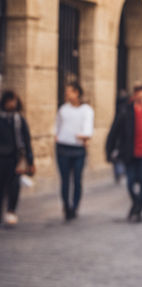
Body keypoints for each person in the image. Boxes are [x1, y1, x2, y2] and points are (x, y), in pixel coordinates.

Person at [106, 83, 142, 223]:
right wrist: (109, 149)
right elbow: (114, 131)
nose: (141, 96)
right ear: (134, 94)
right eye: (138, 93)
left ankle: (138, 211)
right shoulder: (125, 110)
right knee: (130, 182)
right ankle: (136, 204)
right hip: (129, 153)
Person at [55, 82, 94, 221]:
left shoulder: (86, 110)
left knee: (77, 179)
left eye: (69, 91)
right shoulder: (63, 109)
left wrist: (82, 136)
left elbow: (88, 131)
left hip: (78, 149)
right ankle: (66, 205)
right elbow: (57, 127)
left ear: (77, 92)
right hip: (63, 147)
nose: (66, 94)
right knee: (65, 180)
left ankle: (75, 206)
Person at [0, 90, 34, 227]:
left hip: (16, 159)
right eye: (9, 101)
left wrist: (30, 161)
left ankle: (11, 211)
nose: (11, 104)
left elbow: (26, 141)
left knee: (14, 187)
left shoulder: (19, 119)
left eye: (13, 101)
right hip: (1, 158)